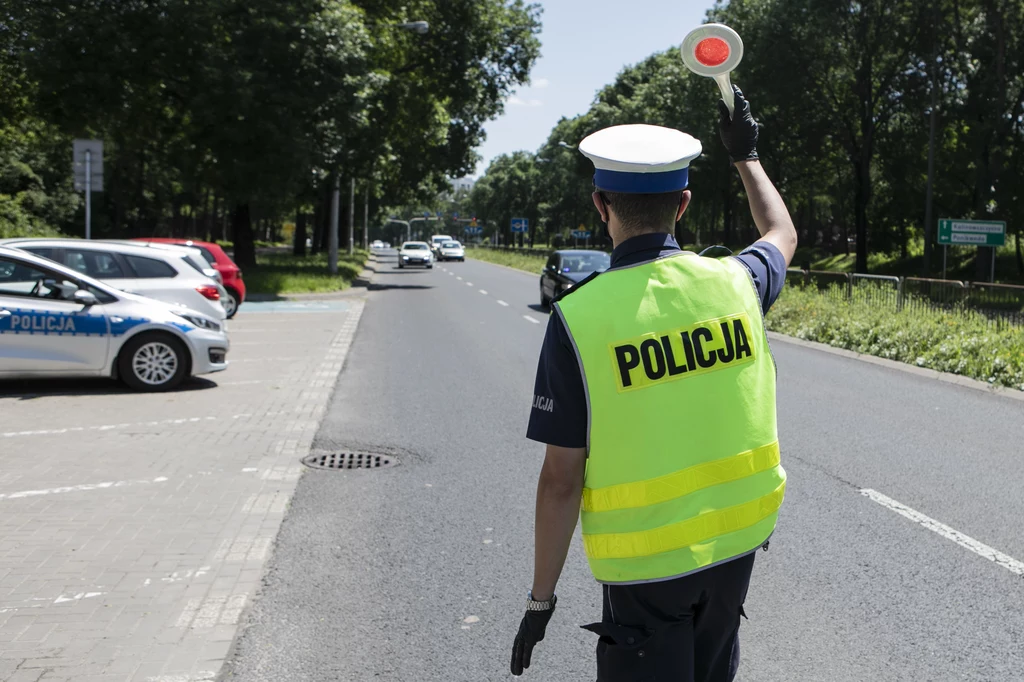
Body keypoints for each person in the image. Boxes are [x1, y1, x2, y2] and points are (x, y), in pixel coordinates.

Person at [509, 87, 797, 681]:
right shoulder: (736, 282)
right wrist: (746, 155)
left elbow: (561, 479)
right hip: (735, 549)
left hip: (644, 573)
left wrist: (542, 599)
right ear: (684, 205)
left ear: (600, 205)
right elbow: (781, 233)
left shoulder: (579, 319)